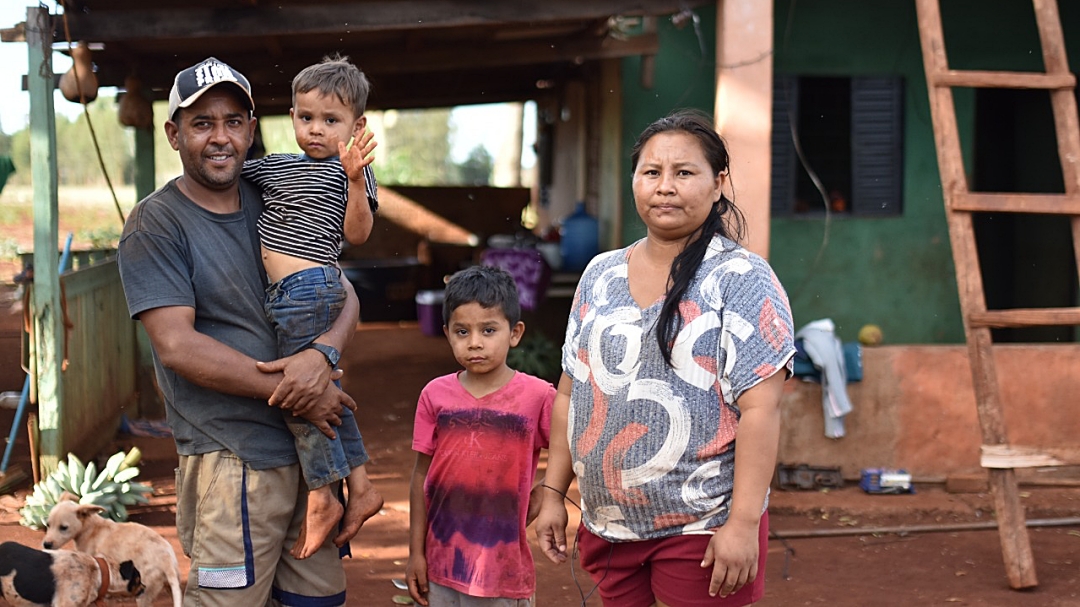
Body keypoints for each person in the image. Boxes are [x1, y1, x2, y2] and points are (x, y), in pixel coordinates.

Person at [117, 57, 358, 605]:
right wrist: (296, 386)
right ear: (174, 134)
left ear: (252, 129)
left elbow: (345, 290)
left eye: (232, 121)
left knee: (317, 599)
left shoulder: (279, 194)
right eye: (202, 123)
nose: (220, 137)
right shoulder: (156, 224)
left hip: (311, 455)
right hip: (232, 459)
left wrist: (320, 359)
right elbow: (177, 346)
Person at [533, 110, 796, 607]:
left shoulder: (741, 278)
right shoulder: (600, 274)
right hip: (608, 526)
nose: (665, 187)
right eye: (652, 172)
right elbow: (571, 391)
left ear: (718, 184)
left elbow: (763, 410)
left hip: (702, 528)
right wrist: (552, 494)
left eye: (684, 172)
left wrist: (741, 525)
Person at [241, 53, 383, 560]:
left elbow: (359, 234)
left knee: (297, 393)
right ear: (292, 117)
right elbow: (232, 170)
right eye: (306, 118)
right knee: (322, 389)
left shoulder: (352, 174)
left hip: (310, 290)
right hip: (293, 295)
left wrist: (351, 180)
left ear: (356, 126)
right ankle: (362, 485)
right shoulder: (279, 167)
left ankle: (324, 493)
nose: (316, 130)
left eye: (331, 120)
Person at [406, 266, 557, 607]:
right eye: (462, 331)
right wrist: (416, 553)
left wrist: (547, 493)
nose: (474, 342)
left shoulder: (537, 397)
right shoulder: (434, 395)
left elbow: (574, 449)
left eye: (489, 330)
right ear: (447, 333)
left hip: (503, 571)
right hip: (440, 565)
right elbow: (420, 477)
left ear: (515, 333)